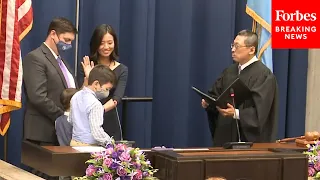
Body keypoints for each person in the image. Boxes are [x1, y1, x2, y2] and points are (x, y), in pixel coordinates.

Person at [201, 30, 279, 147]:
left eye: (237, 46)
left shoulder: (263, 75)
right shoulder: (230, 71)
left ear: (252, 50)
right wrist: (209, 103)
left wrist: (236, 113)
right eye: (233, 45)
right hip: (224, 139)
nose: (232, 50)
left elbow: (262, 112)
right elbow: (216, 95)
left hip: (247, 144)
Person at [23, 17, 78, 146]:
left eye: (71, 41)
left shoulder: (62, 61)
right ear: (53, 34)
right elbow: (37, 96)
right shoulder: (35, 58)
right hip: (43, 132)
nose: (69, 45)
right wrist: (63, 116)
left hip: (61, 133)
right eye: (66, 40)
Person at [79, 24, 128, 140]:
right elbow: (79, 96)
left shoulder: (122, 69)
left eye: (110, 43)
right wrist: (88, 77)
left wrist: (98, 112)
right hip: (86, 122)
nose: (106, 47)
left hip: (109, 120)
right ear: (95, 44)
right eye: (101, 43)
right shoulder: (87, 65)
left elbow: (116, 98)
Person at [70, 64, 116, 146]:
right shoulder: (95, 104)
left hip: (74, 143)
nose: (107, 92)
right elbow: (97, 132)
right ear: (96, 84)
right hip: (89, 147)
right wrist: (111, 143)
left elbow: (70, 120)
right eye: (106, 89)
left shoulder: (75, 96)